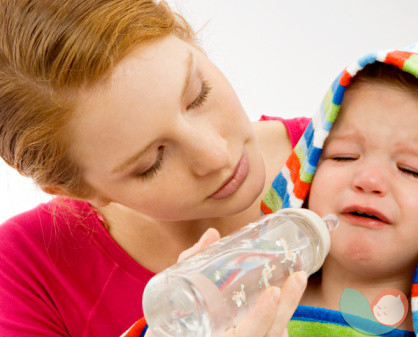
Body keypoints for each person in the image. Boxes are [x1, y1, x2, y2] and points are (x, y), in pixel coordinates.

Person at [0, 1, 309, 336]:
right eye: (151, 163)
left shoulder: (356, 156)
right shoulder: (25, 272)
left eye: (198, 96)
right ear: (79, 190)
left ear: (189, 40)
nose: (217, 156)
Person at [261, 40, 418, 335]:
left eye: (410, 170)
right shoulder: (248, 300)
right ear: (305, 177)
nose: (368, 180)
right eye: (344, 156)